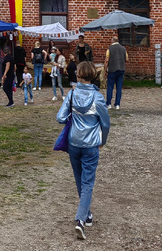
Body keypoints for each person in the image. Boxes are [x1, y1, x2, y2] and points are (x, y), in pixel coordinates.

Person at [57, 61, 111, 241]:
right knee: (88, 182)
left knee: (80, 180)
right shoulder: (98, 97)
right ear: (93, 75)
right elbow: (105, 123)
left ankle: (87, 215)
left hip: (73, 142)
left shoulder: (71, 95)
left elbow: (60, 117)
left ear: (78, 74)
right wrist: (102, 140)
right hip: (90, 145)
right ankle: (80, 220)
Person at [104, 36, 127, 110]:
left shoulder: (110, 49)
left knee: (110, 87)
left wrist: (105, 70)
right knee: (119, 87)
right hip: (121, 69)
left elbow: (107, 60)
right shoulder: (123, 48)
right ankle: (117, 104)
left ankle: (109, 104)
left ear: (112, 41)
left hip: (112, 70)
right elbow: (127, 58)